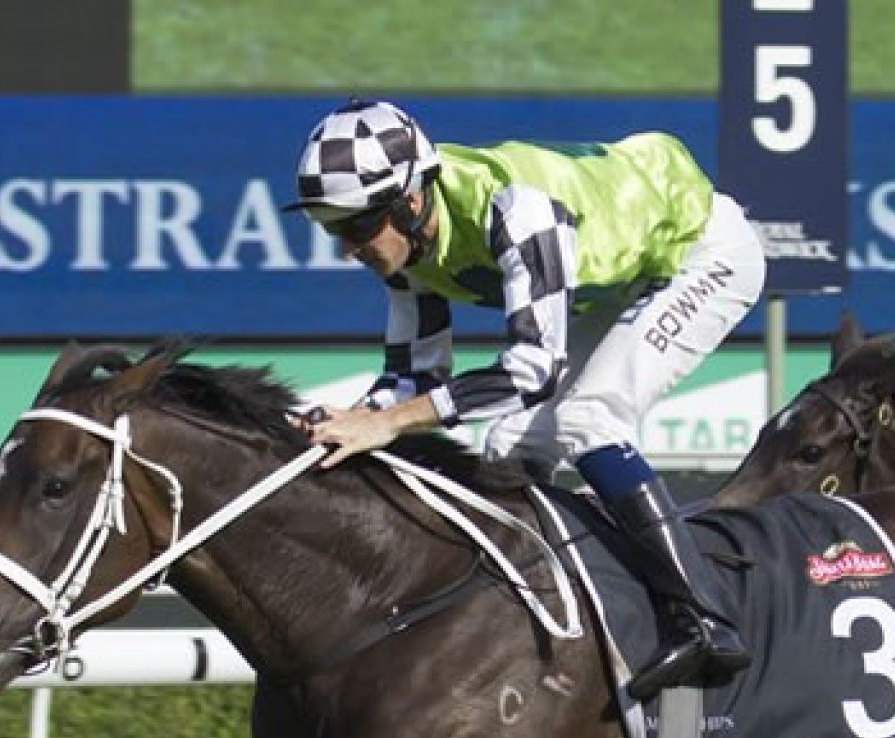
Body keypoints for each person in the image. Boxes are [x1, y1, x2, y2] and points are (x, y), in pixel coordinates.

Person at [283, 98, 766, 700]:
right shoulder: (407, 246)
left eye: (357, 228)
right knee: (508, 441)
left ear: (409, 202)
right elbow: (413, 377)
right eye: (333, 229)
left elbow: (532, 372)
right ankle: (531, 613)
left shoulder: (517, 211)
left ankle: (705, 619)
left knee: (589, 418)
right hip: (622, 278)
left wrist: (389, 422)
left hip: (702, 253)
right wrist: (349, 420)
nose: (346, 249)